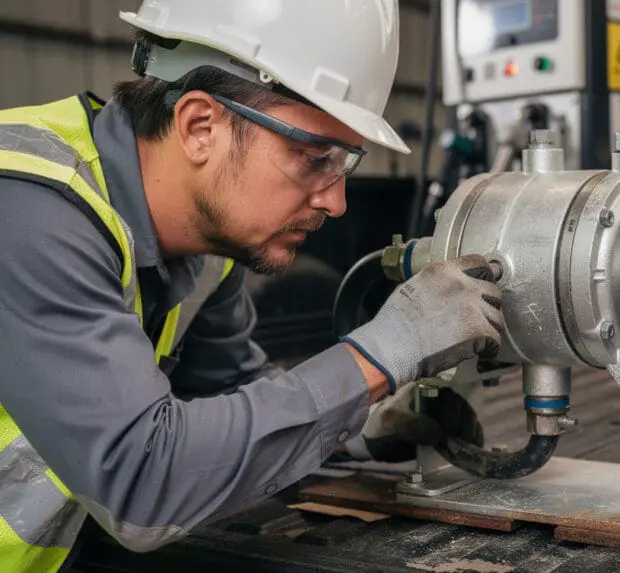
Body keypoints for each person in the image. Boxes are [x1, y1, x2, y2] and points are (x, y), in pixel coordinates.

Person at [0, 1, 504, 572]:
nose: (336, 201)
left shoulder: (206, 244)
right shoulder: (30, 211)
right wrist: (382, 355)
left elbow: (224, 399)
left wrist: (359, 426)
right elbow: (143, 484)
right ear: (199, 126)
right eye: (316, 157)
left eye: (345, 163)